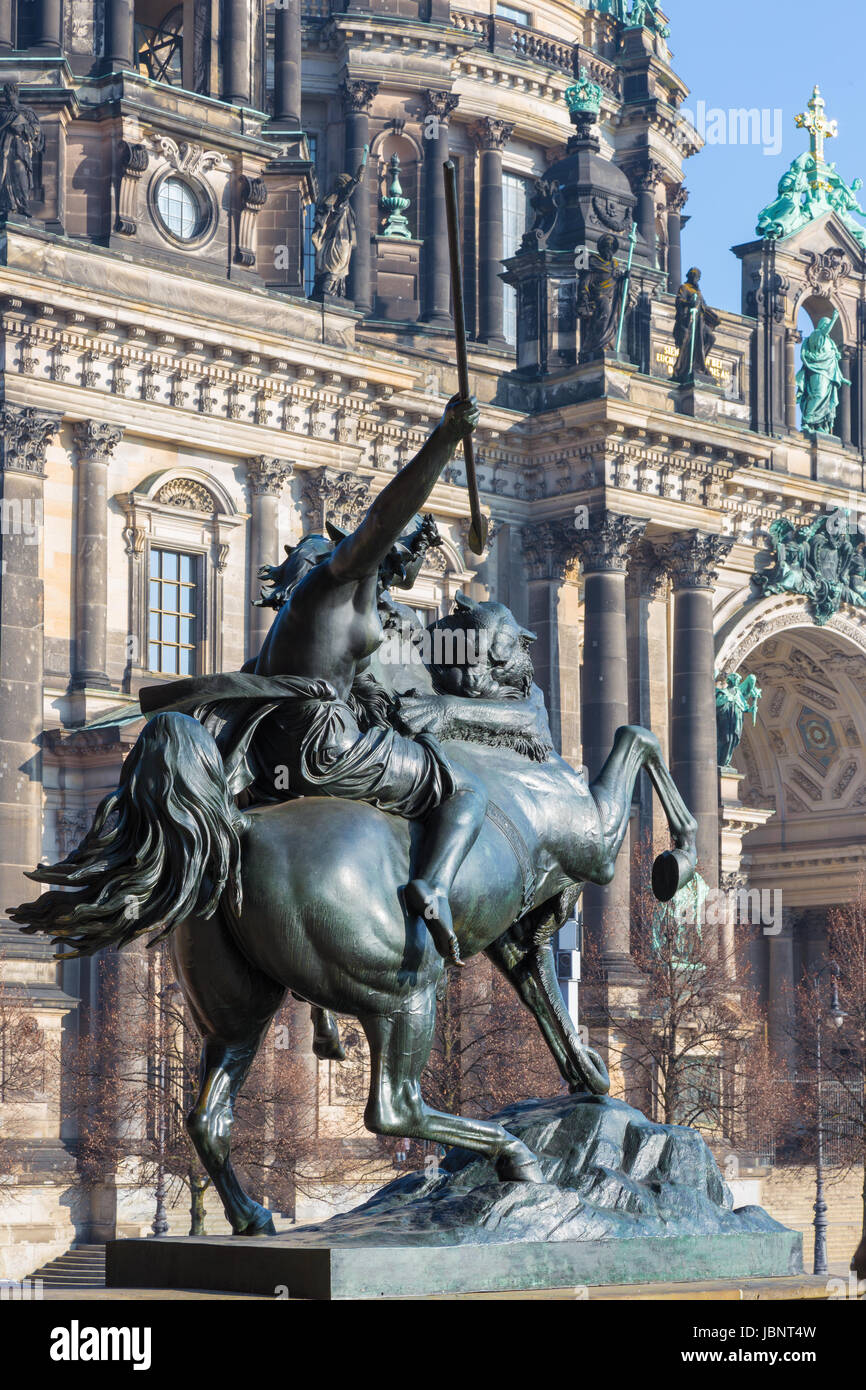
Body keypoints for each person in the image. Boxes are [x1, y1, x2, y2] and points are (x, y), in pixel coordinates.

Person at [248, 395, 485, 967]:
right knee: (463, 789)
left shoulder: (286, 628)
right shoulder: (335, 582)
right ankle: (431, 886)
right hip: (326, 748)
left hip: (273, 760)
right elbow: (386, 516)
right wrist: (446, 439)